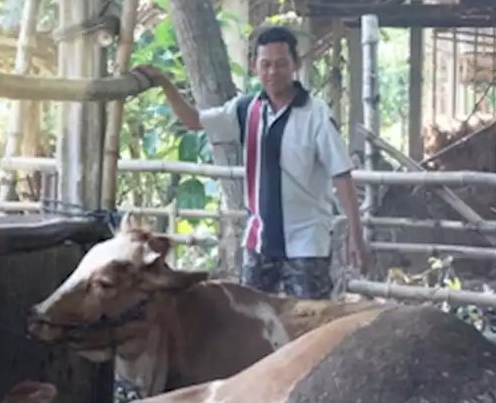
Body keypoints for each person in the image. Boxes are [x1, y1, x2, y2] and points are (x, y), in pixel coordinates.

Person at [135, 24, 369, 299]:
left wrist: (356, 234)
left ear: (296, 64)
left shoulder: (315, 115)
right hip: (259, 240)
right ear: (253, 66)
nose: (272, 72)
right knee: (250, 322)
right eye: (265, 64)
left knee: (310, 324)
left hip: (307, 242)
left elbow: (341, 174)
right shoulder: (245, 109)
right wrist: (164, 82)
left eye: (281, 64)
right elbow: (193, 120)